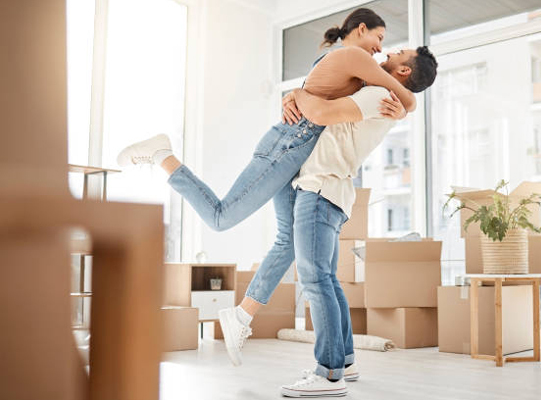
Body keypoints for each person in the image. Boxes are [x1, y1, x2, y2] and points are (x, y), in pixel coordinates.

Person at [117, 6, 410, 366]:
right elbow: (397, 95)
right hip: (286, 146)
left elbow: (322, 96)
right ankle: (163, 155)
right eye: (379, 39)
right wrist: (403, 106)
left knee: (288, 242)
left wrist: (294, 95)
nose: (380, 49)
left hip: (296, 154)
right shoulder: (350, 54)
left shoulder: (348, 63)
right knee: (221, 218)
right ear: (361, 29)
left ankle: (240, 317)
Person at [278, 47, 438, 397]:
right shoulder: (381, 94)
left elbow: (319, 112)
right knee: (327, 280)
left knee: (316, 280)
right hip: (330, 192)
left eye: (400, 53)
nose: (391, 50)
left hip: (320, 189)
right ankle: (345, 361)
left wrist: (297, 92)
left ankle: (329, 373)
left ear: (404, 72)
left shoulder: (378, 94)